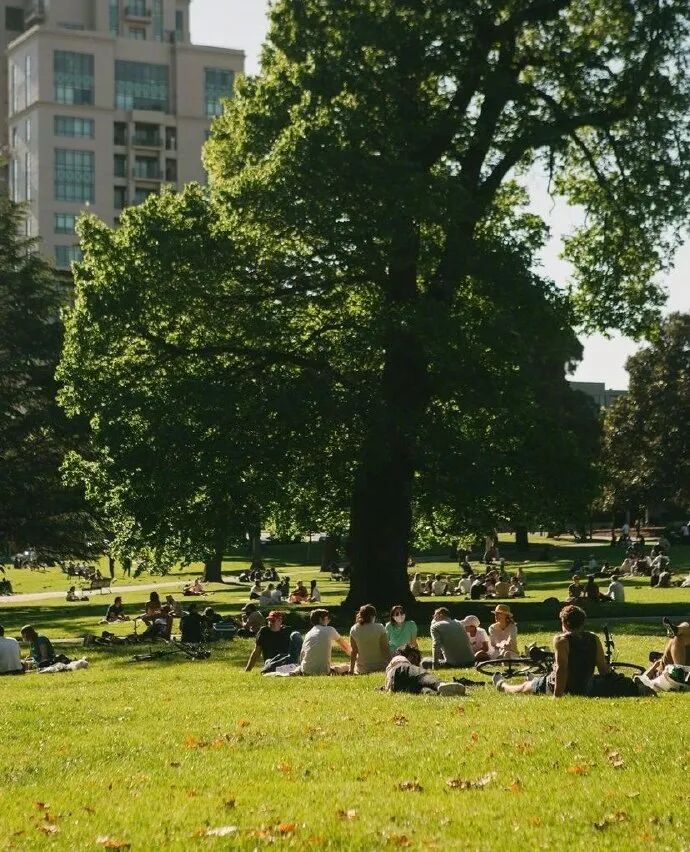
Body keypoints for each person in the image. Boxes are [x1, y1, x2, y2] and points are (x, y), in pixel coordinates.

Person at [493, 605, 610, 697]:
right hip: (585, 687)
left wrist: (557, 695)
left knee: (523, 687)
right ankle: (535, 679)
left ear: (564, 623)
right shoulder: (594, 639)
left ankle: (502, 685)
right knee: (541, 678)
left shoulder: (562, 640)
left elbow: (561, 669)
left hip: (558, 686)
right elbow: (603, 669)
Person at [384, 644, 465, 696]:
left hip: (395, 686)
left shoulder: (390, 670)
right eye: (413, 657)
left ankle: (440, 693)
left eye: (417, 660)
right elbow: (421, 675)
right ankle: (440, 684)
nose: (415, 661)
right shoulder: (399, 659)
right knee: (422, 676)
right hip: (399, 671)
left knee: (421, 689)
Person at [297, 609, 351, 675]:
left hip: (305, 670)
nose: (329, 620)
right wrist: (355, 657)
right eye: (327, 618)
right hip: (324, 671)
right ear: (320, 619)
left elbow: (302, 654)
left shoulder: (308, 633)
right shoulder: (330, 629)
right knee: (348, 666)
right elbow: (345, 646)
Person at [349, 605, 391, 674]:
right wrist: (392, 664)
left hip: (362, 669)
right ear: (372, 616)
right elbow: (385, 649)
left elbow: (354, 651)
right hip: (381, 667)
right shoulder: (380, 627)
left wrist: (351, 669)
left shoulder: (354, 629)